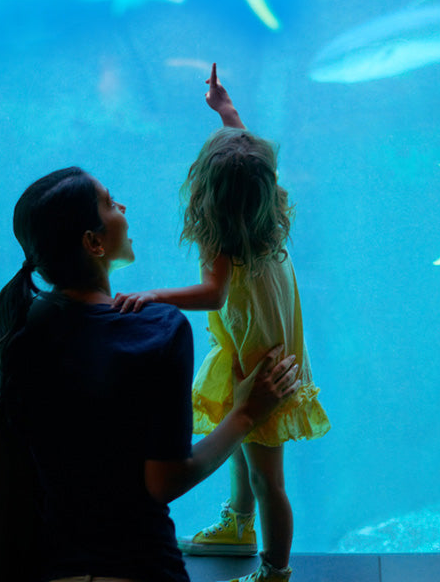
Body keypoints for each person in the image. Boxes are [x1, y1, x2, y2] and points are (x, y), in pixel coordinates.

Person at [0, 166, 302, 582]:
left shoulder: (5, 321)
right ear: (93, 242)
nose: (123, 207)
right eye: (110, 203)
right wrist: (245, 413)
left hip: (35, 566)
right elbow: (164, 482)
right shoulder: (157, 331)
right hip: (140, 567)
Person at [112, 64, 331, 582]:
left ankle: (275, 570)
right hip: (264, 342)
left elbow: (213, 294)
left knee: (267, 477)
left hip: (264, 365)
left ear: (207, 192)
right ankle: (239, 524)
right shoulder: (266, 204)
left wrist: (151, 295)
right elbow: (245, 149)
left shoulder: (223, 237)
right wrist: (226, 109)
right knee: (240, 441)